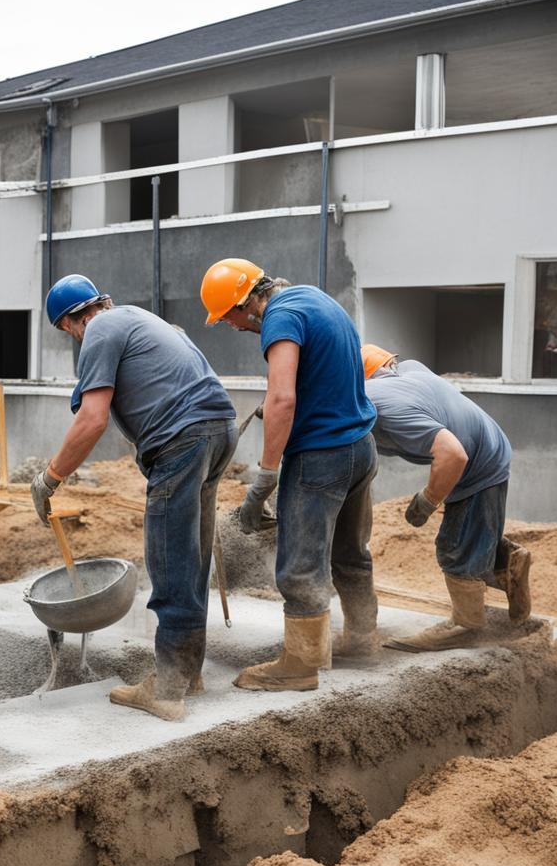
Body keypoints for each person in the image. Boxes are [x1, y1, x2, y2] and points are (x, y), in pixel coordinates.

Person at [31, 274, 237, 721]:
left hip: (182, 439)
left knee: (169, 558)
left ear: (71, 322)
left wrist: (50, 478)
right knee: (193, 555)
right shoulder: (140, 320)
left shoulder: (99, 330)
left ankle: (166, 689)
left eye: (68, 331)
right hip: (217, 429)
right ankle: (188, 674)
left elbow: (92, 419)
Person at [200, 258, 378, 692]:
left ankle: (299, 665)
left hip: (321, 457)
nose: (235, 328)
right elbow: (326, 370)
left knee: (300, 564)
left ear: (246, 304)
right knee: (350, 553)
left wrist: (265, 476)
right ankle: (362, 639)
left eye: (230, 319)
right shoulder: (311, 297)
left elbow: (282, 398)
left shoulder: (279, 319)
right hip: (360, 447)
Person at [361, 344, 531, 650]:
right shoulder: (410, 371)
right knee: (471, 537)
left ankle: (466, 624)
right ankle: (508, 565)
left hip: (477, 463)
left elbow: (452, 455)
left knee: (454, 548)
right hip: (489, 446)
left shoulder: (380, 400)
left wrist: (428, 500)